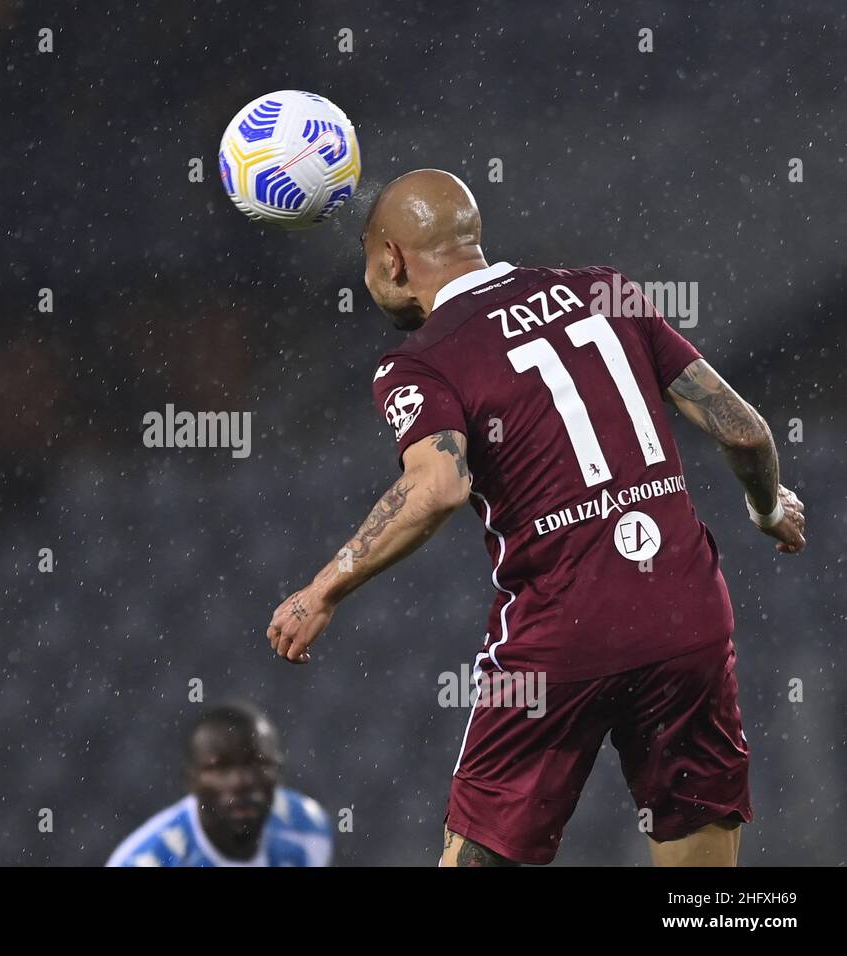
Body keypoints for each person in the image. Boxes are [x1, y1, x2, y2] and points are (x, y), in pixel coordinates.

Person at [264, 169, 806, 866]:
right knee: (697, 859)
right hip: (687, 615)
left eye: (367, 259)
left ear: (392, 259)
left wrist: (322, 589)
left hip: (561, 635)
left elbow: (436, 487)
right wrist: (766, 508)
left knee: (486, 851)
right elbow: (744, 429)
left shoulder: (419, 362)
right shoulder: (604, 289)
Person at [106, 702, 332, 866]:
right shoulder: (146, 861)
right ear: (191, 780)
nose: (241, 783)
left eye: (258, 764)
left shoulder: (307, 828)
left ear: (279, 771)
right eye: (221, 768)